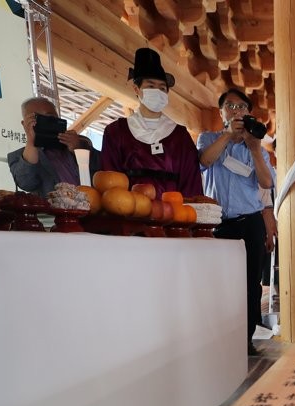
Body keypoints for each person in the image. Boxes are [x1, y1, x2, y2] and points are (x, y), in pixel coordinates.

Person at [198, 87, 276, 356]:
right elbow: (204, 161)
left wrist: (254, 148)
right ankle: (217, 337)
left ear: (249, 113)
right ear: (221, 113)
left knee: (250, 282)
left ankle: (245, 339)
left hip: (250, 221)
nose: (237, 111)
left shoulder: (256, 147)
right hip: (216, 223)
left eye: (242, 107)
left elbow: (266, 182)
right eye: (230, 106)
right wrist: (228, 136)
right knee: (217, 282)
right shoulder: (208, 138)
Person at [101, 48, 203, 198]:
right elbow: (109, 182)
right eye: (150, 86)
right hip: (129, 215)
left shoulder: (180, 136)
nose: (157, 91)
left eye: (162, 88)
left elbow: (191, 183)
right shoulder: (116, 132)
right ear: (136, 89)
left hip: (173, 215)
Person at [7, 97, 100, 198]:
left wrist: (78, 150)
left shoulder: (79, 144)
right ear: (24, 123)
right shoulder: (18, 156)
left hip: (91, 207)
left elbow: (104, 171)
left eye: (50, 118)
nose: (45, 123)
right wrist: (31, 142)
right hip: (54, 212)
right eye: (37, 119)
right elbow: (26, 183)